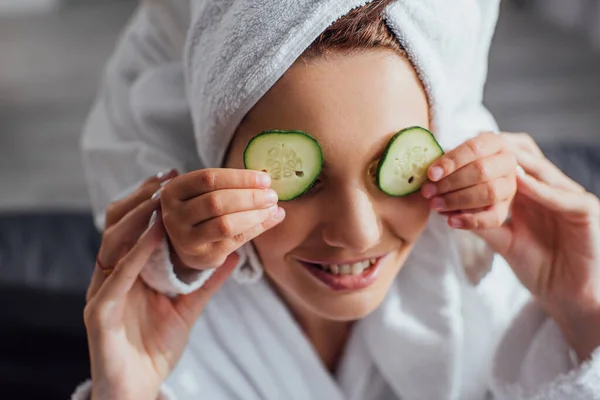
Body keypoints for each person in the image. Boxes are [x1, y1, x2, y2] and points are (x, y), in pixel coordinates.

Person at [73, 0, 600, 398]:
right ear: (216, 164)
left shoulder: (495, 289)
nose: (357, 233)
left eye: (397, 170)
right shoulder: (163, 336)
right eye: (303, 178)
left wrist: (585, 311)